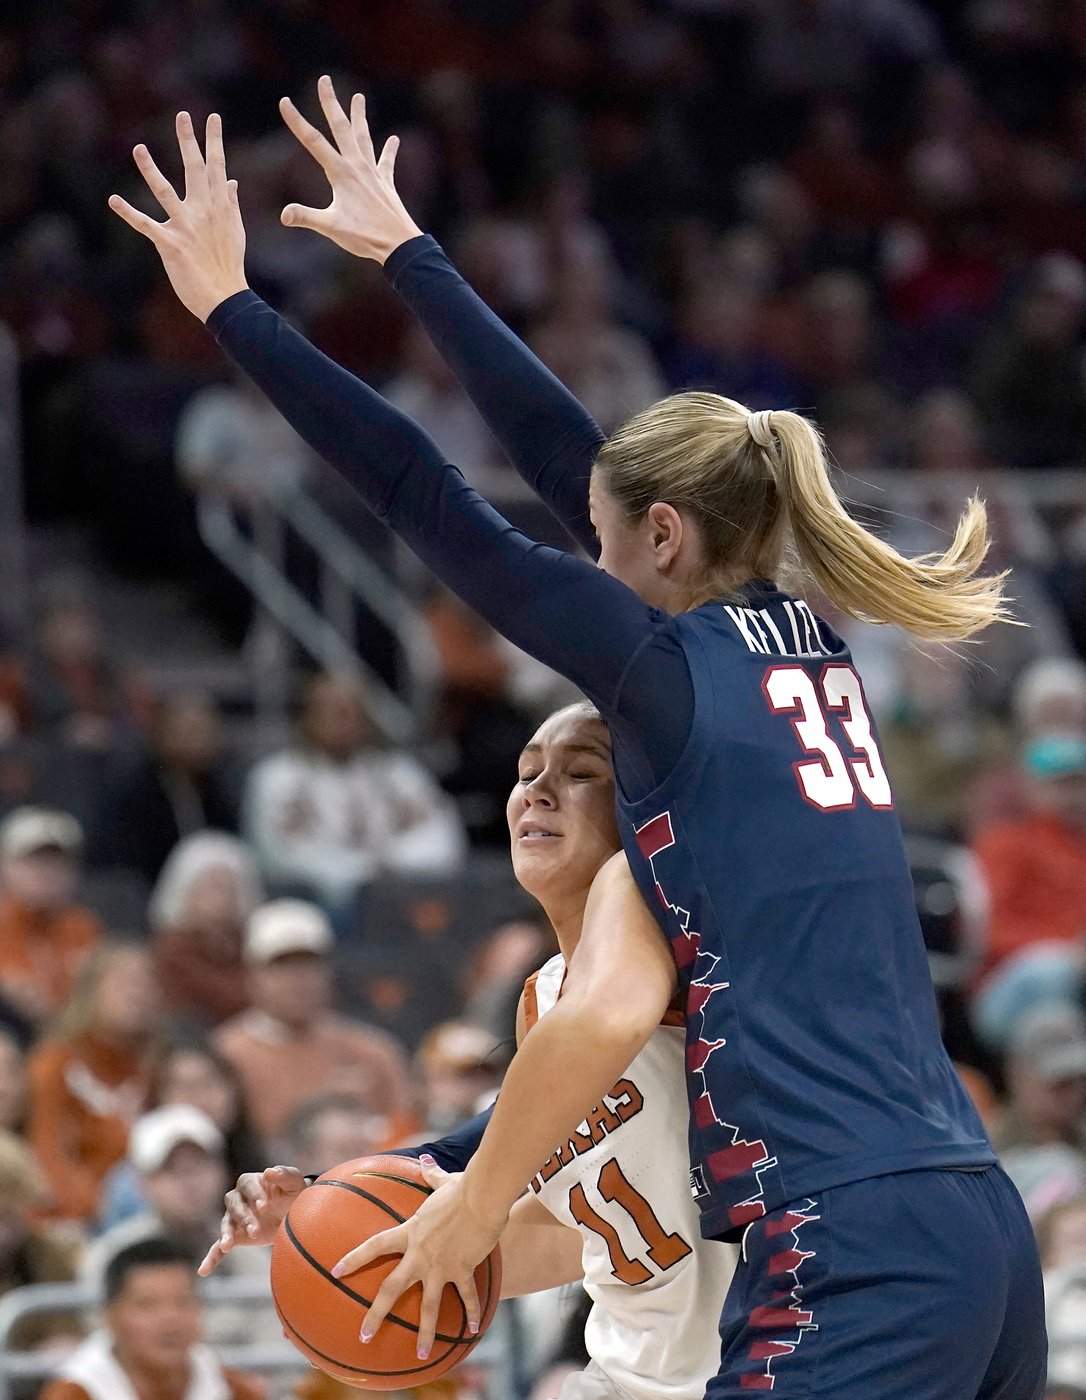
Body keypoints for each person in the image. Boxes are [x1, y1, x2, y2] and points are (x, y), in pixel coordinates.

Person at [111, 87, 1043, 1396]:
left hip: (844, 1240)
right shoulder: (799, 644)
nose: (583, 577)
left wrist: (232, 311)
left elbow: (420, 491)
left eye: (601, 552)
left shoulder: (664, 678)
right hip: (967, 1218)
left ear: (662, 543)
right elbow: (569, 454)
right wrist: (412, 259)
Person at [203, 703, 738, 1400]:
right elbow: (567, 1234)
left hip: (766, 1358)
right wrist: (332, 1222)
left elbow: (493, 1153)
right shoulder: (543, 1000)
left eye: (580, 773)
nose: (537, 790)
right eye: (525, 773)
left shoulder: (695, 953)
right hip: (635, 1371)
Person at [243, 672, 466, 917]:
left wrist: (388, 865)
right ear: (307, 716)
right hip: (313, 905)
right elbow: (277, 855)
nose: (344, 719)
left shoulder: (400, 775)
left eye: (352, 710)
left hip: (397, 900)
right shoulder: (277, 777)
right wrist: (358, 871)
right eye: (333, 710)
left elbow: (442, 840)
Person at [212, 898, 414, 1150]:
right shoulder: (226, 1055)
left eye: (308, 965)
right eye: (281, 967)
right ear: (251, 975)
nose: (297, 980)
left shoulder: (373, 1051)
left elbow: (406, 1134)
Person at [38, 1237, 266, 1400]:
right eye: (147, 1305)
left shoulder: (234, 1390)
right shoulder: (74, 1392)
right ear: (110, 1317)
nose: (170, 1319)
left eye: (183, 1301)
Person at [27, 944, 159, 1224]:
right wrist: (97, 1211)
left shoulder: (155, 1065)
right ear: (90, 992)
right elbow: (48, 1156)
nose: (139, 994)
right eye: (125, 982)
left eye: (147, 984)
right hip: (76, 1221)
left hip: (150, 1216)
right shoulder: (54, 1065)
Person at [0, 807, 103, 1035]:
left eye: (57, 862)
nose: (47, 873)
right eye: (34, 860)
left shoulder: (85, 929)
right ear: (6, 867)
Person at [150, 832, 263, 1026]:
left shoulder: (257, 946)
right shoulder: (170, 950)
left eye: (228, 886)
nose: (222, 897)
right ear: (184, 891)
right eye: (212, 885)